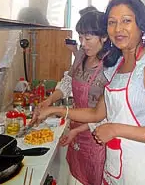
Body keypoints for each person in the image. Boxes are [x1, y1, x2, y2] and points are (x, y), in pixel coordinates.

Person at [32, 0, 145, 185]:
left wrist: (115, 129)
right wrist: (54, 109)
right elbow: (97, 113)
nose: (118, 29)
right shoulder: (117, 66)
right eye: (112, 22)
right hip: (118, 166)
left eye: (126, 21)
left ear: (141, 25)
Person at [38, 10, 109, 185]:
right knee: (79, 176)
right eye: (80, 38)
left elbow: (108, 113)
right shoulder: (81, 56)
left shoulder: (111, 66)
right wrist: (49, 100)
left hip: (98, 134)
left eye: (88, 38)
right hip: (77, 129)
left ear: (104, 37)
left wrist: (78, 129)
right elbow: (68, 82)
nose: (83, 44)